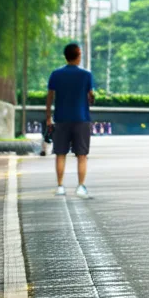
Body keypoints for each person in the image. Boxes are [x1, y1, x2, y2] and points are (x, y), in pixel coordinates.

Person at [46, 43, 95, 198]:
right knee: (81, 155)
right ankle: (80, 187)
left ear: (65, 56)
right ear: (78, 55)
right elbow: (91, 97)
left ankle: (60, 186)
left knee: (60, 153)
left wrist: (48, 117)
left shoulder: (56, 74)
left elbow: (49, 98)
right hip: (81, 119)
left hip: (61, 119)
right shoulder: (86, 75)